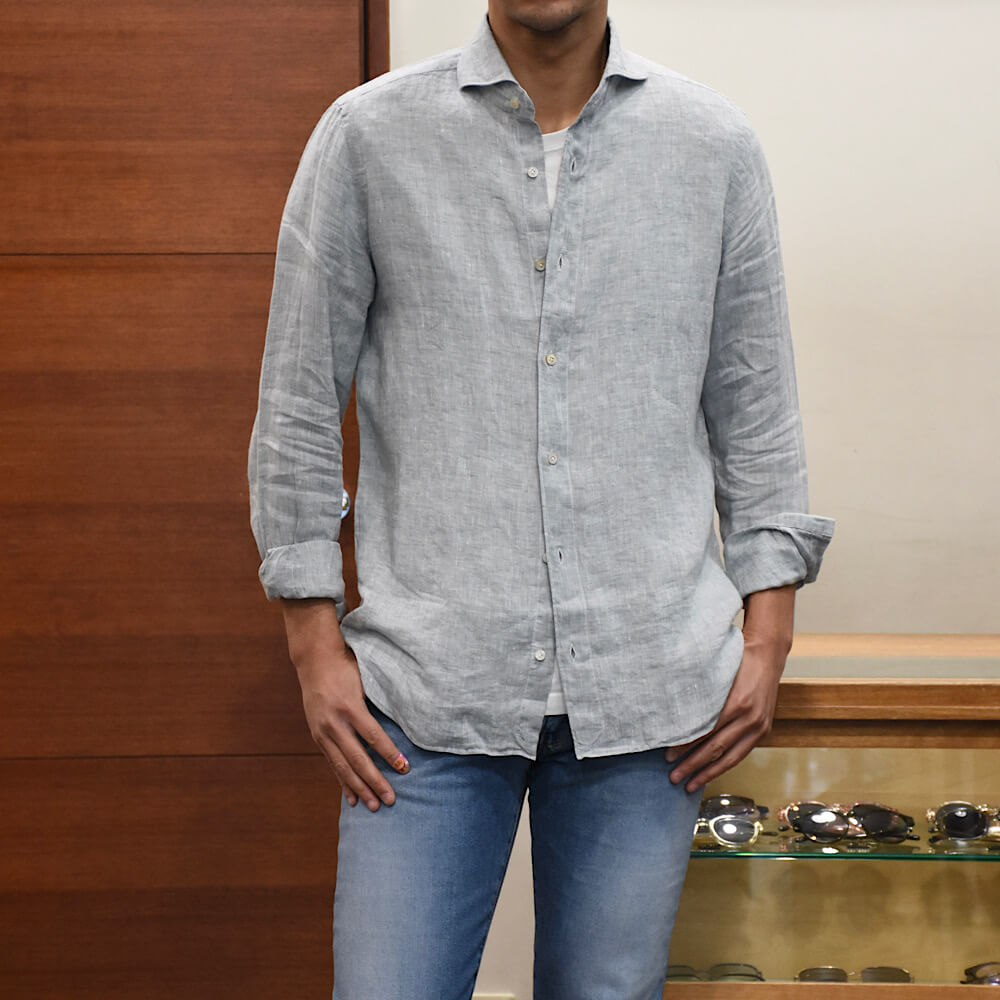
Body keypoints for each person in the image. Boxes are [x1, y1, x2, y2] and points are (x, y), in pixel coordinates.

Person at [248, 2, 834, 997]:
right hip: (426, 694)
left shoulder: (712, 145)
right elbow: (298, 404)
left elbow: (755, 402)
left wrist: (768, 634)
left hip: (651, 699)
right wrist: (312, 646)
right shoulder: (368, 138)